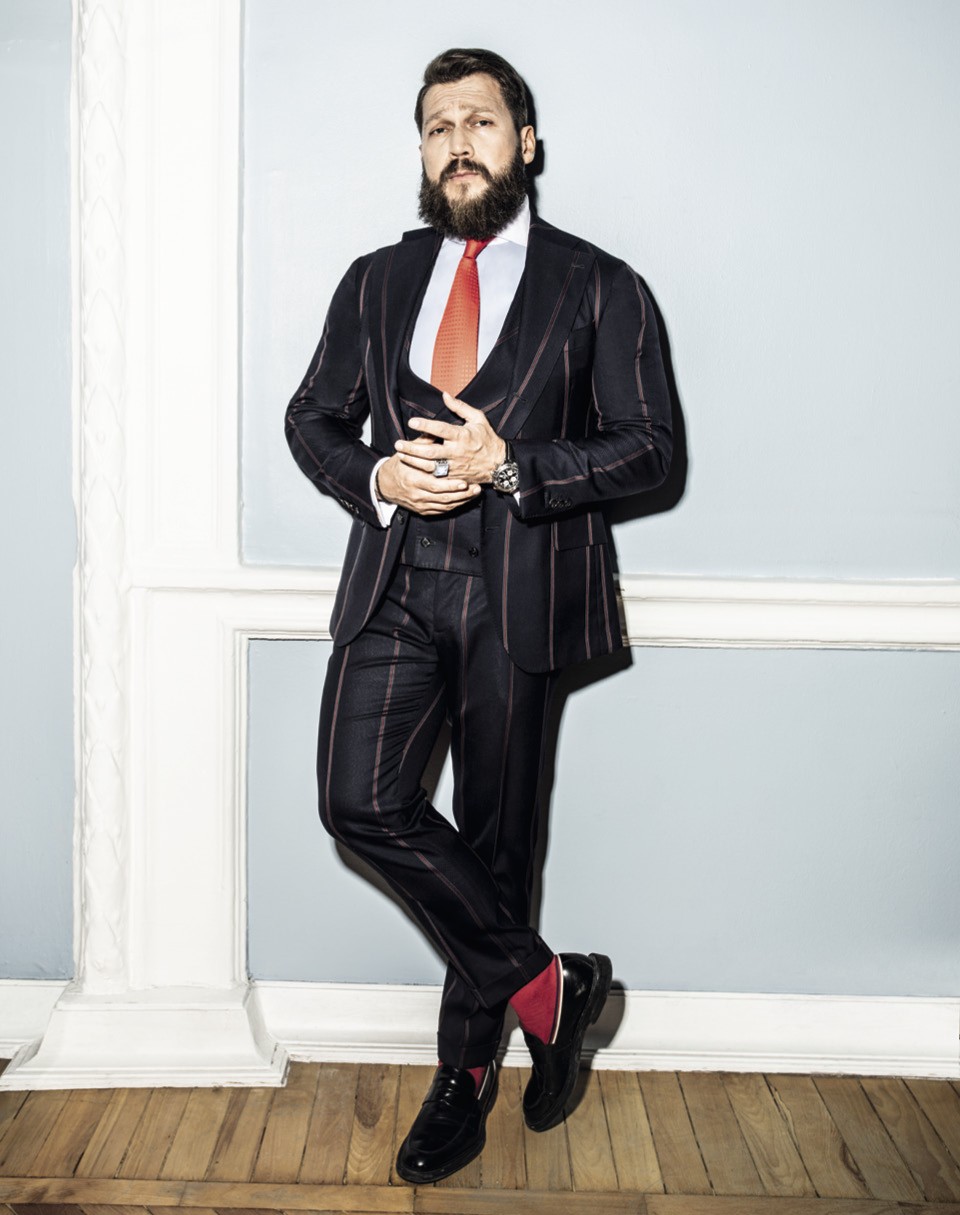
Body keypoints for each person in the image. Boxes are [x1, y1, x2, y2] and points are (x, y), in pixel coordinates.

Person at [285, 47, 672, 1184]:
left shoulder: (599, 284)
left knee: (498, 845)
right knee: (358, 802)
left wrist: (512, 465)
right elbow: (312, 416)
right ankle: (551, 988)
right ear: (422, 151)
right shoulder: (375, 279)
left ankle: (463, 1076)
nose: (458, 142)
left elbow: (651, 449)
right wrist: (374, 476)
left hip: (522, 594)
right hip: (396, 582)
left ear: (525, 144)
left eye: (481, 121)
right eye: (437, 126)